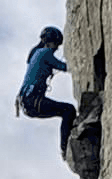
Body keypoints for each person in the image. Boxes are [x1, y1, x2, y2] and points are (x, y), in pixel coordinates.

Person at [16, 25, 76, 154]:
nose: (57, 48)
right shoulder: (45, 53)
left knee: (65, 111)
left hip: (27, 103)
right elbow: (64, 66)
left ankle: (66, 147)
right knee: (68, 110)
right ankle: (65, 149)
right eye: (57, 44)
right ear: (51, 41)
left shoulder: (35, 53)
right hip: (32, 100)